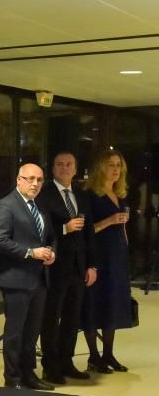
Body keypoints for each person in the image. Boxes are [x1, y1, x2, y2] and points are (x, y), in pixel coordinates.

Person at [0, 163, 56, 391]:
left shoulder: (40, 205)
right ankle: (13, 379)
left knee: (32, 333)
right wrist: (30, 253)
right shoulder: (6, 205)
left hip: (39, 279)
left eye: (39, 179)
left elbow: (49, 236)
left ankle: (30, 375)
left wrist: (50, 252)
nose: (34, 184)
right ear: (19, 180)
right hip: (16, 279)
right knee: (15, 333)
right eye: (29, 179)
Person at [36, 152, 97, 384]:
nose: (64, 168)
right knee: (51, 318)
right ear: (53, 169)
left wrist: (92, 265)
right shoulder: (44, 194)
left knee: (72, 318)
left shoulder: (81, 195)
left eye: (68, 164)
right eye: (59, 164)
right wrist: (65, 228)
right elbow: (42, 229)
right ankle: (50, 367)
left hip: (78, 267)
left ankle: (66, 361)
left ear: (75, 168)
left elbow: (90, 233)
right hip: (55, 267)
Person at [81, 150, 132, 373]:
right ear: (100, 168)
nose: (115, 169)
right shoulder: (90, 194)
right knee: (94, 304)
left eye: (118, 165)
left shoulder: (119, 194)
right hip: (98, 256)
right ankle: (93, 356)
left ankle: (108, 354)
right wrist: (110, 220)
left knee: (113, 304)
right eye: (110, 164)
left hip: (117, 256)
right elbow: (86, 231)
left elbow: (120, 226)